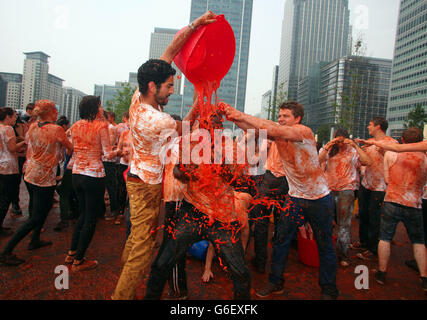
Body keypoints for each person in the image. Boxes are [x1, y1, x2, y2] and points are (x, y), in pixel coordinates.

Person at [112, 10, 216, 300]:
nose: (172, 91)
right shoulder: (159, 121)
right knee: (143, 252)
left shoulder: (138, 97)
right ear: (152, 86)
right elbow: (190, 126)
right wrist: (200, 95)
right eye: (169, 86)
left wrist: (196, 24)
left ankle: (125, 290)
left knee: (135, 241)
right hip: (146, 185)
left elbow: (170, 50)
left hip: (137, 176)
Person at [224, 101, 339, 299]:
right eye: (280, 116)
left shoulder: (303, 132)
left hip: (319, 199)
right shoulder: (278, 134)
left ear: (297, 119)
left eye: (285, 116)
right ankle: (275, 282)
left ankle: (329, 289)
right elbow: (254, 130)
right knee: (280, 240)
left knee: (325, 244)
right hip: (295, 199)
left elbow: (273, 128)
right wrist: (232, 117)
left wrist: (240, 114)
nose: (281, 119)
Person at [0, 100, 73, 266]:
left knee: (41, 208)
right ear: (49, 112)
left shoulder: (33, 126)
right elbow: (70, 147)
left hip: (31, 173)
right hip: (44, 176)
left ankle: (35, 239)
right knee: (36, 216)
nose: (56, 112)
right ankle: (7, 251)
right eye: (54, 109)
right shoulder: (56, 129)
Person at [64, 96, 120, 272]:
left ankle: (72, 252)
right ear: (95, 108)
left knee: (83, 214)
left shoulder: (75, 125)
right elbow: (107, 154)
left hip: (77, 173)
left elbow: (70, 145)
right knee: (90, 218)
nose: (102, 108)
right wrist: (121, 150)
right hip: (93, 175)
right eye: (100, 105)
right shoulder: (100, 126)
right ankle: (79, 261)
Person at [374, 127, 427, 292]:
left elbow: (387, 179)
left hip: (392, 200)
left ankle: (382, 273)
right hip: (414, 204)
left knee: (385, 238)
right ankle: (424, 278)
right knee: (418, 241)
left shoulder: (391, 154)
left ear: (402, 140)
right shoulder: (425, 159)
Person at [319, 128, 372, 267]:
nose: (341, 143)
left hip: (346, 190)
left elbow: (367, 161)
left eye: (343, 139)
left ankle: (343, 254)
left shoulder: (353, 151)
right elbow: (317, 160)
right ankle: (325, 252)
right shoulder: (330, 150)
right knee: (327, 222)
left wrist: (354, 145)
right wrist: (331, 143)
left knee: (344, 224)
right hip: (328, 190)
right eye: (339, 139)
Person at [351, 117, 398, 260]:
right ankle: (364, 241)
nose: (368, 127)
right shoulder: (368, 144)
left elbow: (395, 162)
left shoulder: (392, 143)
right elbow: (362, 162)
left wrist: (383, 151)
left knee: (375, 218)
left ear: (378, 127)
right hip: (367, 184)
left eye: (370, 125)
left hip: (381, 187)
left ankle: (373, 248)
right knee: (363, 215)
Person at [0, 108, 26, 237]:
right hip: (9, 167)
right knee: (6, 197)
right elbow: (12, 148)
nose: (15, 118)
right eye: (14, 116)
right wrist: (24, 142)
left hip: (1, 164)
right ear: (8, 117)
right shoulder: (8, 129)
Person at [54, 116, 79, 231]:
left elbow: (69, 150)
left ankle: (66, 218)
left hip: (72, 165)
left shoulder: (73, 130)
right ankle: (75, 213)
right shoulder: (96, 129)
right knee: (75, 191)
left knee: (64, 192)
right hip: (82, 167)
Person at [103, 111, 120, 221]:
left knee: (111, 185)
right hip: (101, 160)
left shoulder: (110, 128)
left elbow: (110, 144)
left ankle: (115, 209)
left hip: (108, 160)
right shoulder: (102, 127)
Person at [115, 112, 130, 225]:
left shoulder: (139, 135)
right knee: (121, 189)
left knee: (132, 191)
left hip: (133, 166)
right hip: (123, 164)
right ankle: (120, 212)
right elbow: (118, 149)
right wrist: (121, 152)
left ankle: (130, 214)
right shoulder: (124, 134)